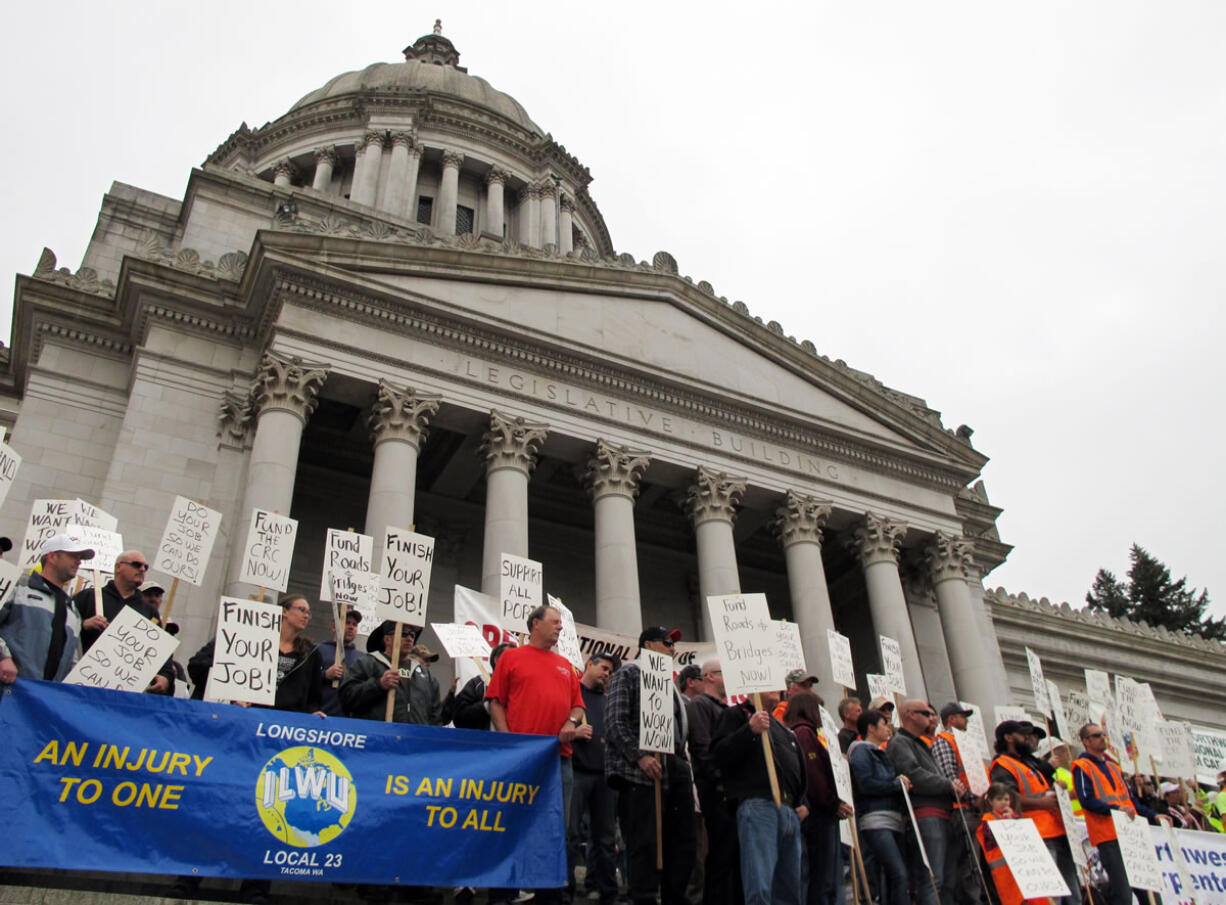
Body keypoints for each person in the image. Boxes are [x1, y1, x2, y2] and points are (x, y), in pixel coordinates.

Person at [486, 603, 589, 905]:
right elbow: (496, 702)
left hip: (559, 759)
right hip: (521, 759)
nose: (560, 627)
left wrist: (571, 722)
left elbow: (578, 705)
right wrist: (507, 742)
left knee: (554, 828)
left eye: (561, 623)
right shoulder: (511, 658)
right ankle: (503, 892)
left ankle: (547, 893)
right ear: (535, 624)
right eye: (555, 622)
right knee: (512, 823)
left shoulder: (565, 666)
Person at [605, 626, 696, 905]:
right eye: (668, 643)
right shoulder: (630, 673)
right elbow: (615, 722)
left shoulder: (669, 684)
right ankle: (643, 897)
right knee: (645, 844)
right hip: (642, 773)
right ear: (649, 645)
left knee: (682, 844)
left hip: (675, 768)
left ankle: (674, 897)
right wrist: (640, 756)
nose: (673, 649)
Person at [712, 687, 808, 905]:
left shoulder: (782, 729)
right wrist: (749, 731)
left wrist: (803, 801)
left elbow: (796, 767)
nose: (778, 688)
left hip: (789, 810)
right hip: (759, 806)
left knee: (789, 889)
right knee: (761, 884)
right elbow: (719, 755)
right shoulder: (735, 716)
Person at [1072, 722, 1166, 905]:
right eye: (1097, 735)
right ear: (1086, 741)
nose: (1102, 738)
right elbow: (1086, 800)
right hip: (1109, 836)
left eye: (1103, 734)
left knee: (1151, 894)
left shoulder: (1114, 768)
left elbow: (1130, 801)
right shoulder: (1082, 766)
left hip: (1131, 835)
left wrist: (1153, 815)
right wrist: (1116, 810)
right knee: (1123, 894)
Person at [990, 720, 1079, 905]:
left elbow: (1041, 791)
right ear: (1008, 738)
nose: (1027, 738)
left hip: (1057, 830)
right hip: (1038, 834)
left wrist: (1060, 793)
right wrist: (1041, 803)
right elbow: (1006, 798)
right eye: (1022, 735)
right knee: (1050, 895)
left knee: (1072, 894)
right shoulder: (1002, 765)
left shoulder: (1030, 763)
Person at [886, 699, 966, 905]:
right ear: (911, 714)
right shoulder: (900, 742)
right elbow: (913, 774)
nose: (932, 718)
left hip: (943, 815)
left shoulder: (922, 744)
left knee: (948, 881)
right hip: (926, 815)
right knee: (932, 879)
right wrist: (948, 785)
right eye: (926, 713)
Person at [72, 549, 174, 694]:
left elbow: (161, 652)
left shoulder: (149, 612)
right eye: (136, 564)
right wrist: (83, 625)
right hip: (84, 687)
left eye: (146, 567)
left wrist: (165, 677)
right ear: (118, 567)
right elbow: (61, 631)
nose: (142, 569)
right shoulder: (89, 597)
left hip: (124, 695)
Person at [785, 693, 852, 905]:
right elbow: (814, 774)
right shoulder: (805, 733)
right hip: (819, 812)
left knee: (828, 873)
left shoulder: (813, 733)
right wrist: (833, 802)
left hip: (823, 810)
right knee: (822, 873)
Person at [0, 533, 94, 683]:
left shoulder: (73, 610)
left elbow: (74, 661)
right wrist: (2, 658)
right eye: (73, 556)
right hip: (8, 691)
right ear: (52, 557)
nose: (78, 562)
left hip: (45, 699)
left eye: (80, 558)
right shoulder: (19, 588)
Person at [687, 657, 740, 905]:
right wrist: (719, 780)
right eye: (723, 673)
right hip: (717, 791)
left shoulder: (725, 709)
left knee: (733, 854)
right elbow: (702, 747)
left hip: (732, 790)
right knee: (721, 852)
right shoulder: (700, 705)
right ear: (710, 676)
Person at [569, 652, 619, 905]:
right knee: (571, 833)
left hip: (604, 776)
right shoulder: (572, 693)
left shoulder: (609, 700)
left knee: (605, 838)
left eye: (610, 671)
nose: (607, 674)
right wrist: (573, 732)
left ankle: (606, 889)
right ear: (589, 665)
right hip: (576, 771)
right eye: (604, 668)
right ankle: (564, 890)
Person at [848, 709, 910, 905]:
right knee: (898, 873)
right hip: (876, 820)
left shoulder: (880, 752)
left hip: (892, 819)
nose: (888, 728)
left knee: (892, 875)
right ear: (871, 728)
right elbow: (865, 783)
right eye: (884, 724)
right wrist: (896, 785)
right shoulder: (860, 750)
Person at [931, 704, 980, 905]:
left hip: (974, 810)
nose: (966, 720)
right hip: (961, 811)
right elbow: (949, 775)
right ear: (951, 719)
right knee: (966, 866)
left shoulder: (966, 742)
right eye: (962, 716)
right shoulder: (944, 741)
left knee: (974, 865)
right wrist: (971, 797)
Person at [976, 783, 1055, 905]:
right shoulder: (988, 819)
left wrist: (1014, 820)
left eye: (1006, 799)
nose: (1003, 802)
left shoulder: (1014, 817)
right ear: (990, 801)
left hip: (1021, 871)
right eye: (999, 799)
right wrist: (1006, 824)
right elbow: (990, 841)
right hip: (1004, 874)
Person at [338, 620, 415, 720]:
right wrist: (378, 685)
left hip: (413, 734)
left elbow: (434, 712)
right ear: (387, 639)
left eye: (412, 635)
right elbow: (347, 697)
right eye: (403, 634)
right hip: (378, 733)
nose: (409, 638)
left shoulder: (422, 673)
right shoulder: (367, 663)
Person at [267, 594, 325, 714]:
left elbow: (314, 695)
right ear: (284, 611)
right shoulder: (262, 644)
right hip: (257, 714)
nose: (306, 616)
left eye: (308, 613)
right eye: (302, 610)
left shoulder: (311, 653)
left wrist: (313, 712)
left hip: (292, 720)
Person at [452, 641, 515, 730]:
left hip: (514, 741)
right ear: (497, 660)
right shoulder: (478, 684)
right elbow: (459, 719)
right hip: (482, 741)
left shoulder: (523, 688)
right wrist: (485, 706)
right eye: (511, 658)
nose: (516, 663)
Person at [317, 608, 363, 715]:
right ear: (334, 626)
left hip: (347, 721)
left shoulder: (362, 659)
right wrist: (325, 675)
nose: (351, 627)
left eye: (355, 624)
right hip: (320, 716)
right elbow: (306, 680)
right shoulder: (317, 650)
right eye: (347, 622)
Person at [404, 643, 444, 725]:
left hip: (421, 730)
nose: (429, 664)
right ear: (412, 658)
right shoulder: (400, 675)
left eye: (430, 661)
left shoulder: (432, 681)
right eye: (425, 660)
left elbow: (436, 713)